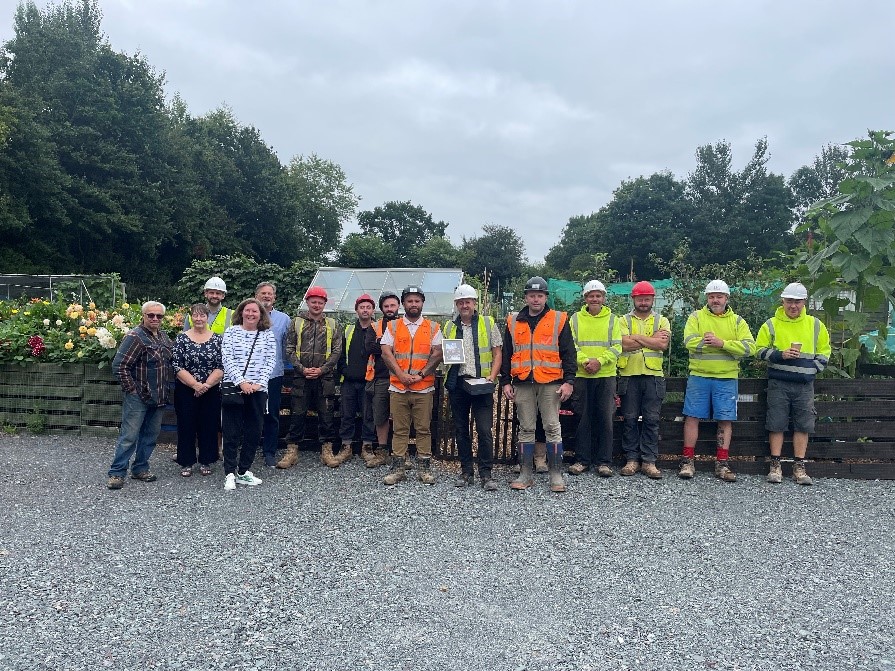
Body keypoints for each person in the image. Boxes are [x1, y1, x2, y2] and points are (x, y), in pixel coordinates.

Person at [501, 276, 576, 493]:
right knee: (526, 428)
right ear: (526, 297)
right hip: (523, 382)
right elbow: (507, 353)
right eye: (532, 295)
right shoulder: (513, 321)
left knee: (552, 427)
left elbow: (569, 353)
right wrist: (505, 381)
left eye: (540, 295)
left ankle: (556, 475)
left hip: (551, 382)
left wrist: (569, 381)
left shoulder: (559, 319)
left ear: (546, 297)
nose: (536, 299)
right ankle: (525, 474)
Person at [679, 280, 755, 482]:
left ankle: (722, 463)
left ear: (726, 298)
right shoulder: (696, 317)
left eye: (719, 296)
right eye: (712, 296)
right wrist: (708, 342)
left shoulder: (738, 321)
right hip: (699, 375)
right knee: (692, 417)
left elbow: (750, 348)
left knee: (725, 419)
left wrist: (722, 344)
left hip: (726, 378)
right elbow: (688, 342)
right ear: (707, 298)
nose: (715, 300)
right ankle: (687, 461)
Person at [755, 282, 831, 485]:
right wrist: (780, 355)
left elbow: (825, 351)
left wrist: (813, 368)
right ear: (783, 301)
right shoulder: (771, 324)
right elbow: (759, 349)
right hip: (779, 382)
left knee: (803, 424)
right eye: (789, 301)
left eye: (797, 301)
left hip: (805, 385)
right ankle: (775, 465)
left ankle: (799, 466)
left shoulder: (815, 324)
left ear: (804, 302)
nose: (793, 306)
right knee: (776, 423)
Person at [380, 286, 444, 485]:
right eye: (409, 301)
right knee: (399, 429)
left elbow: (438, 353)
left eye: (417, 301)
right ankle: (398, 468)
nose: (413, 304)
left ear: (422, 303)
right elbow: (385, 351)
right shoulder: (393, 326)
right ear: (404, 304)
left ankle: (424, 469)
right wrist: (400, 375)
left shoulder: (433, 327)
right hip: (398, 388)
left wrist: (421, 375)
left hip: (423, 388)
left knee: (423, 429)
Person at [107, 301, 174, 490]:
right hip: (138, 397)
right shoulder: (134, 336)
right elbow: (119, 365)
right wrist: (132, 390)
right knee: (129, 436)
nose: (154, 318)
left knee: (150, 435)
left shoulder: (163, 337)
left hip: (159, 395)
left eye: (158, 316)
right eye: (150, 315)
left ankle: (140, 468)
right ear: (143, 316)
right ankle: (117, 473)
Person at [443, 284, 502, 491]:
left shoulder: (488, 323)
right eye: (460, 302)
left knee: (485, 430)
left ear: (474, 303)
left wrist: (491, 377)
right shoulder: (449, 326)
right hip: (458, 383)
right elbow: (447, 355)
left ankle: (486, 474)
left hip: (481, 384)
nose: (464, 305)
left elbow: (497, 354)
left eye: (467, 301)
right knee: (461, 430)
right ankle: (466, 472)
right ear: (457, 305)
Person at [278, 287, 343, 469]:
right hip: (301, 377)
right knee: (297, 414)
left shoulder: (333, 324)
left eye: (320, 302)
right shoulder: (296, 322)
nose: (316, 305)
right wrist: (301, 368)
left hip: (325, 378)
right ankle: (292, 451)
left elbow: (337, 351)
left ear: (324, 304)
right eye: (313, 301)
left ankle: (327, 450)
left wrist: (322, 369)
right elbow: (289, 348)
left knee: (326, 414)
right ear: (307, 302)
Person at [567, 280, 623, 477]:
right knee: (582, 418)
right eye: (591, 295)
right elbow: (571, 345)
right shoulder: (574, 319)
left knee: (605, 419)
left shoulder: (613, 320)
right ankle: (582, 460)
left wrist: (599, 362)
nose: (595, 299)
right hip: (582, 376)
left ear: (604, 298)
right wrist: (584, 362)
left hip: (606, 376)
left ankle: (604, 462)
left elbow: (617, 346)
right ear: (585, 298)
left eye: (598, 295)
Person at [220, 299, 277, 490]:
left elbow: (271, 360)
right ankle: (229, 472)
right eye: (247, 310)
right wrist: (242, 382)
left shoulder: (267, 335)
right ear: (241, 312)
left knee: (254, 431)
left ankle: (243, 471)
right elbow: (227, 358)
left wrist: (258, 383)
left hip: (258, 390)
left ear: (261, 314)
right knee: (231, 431)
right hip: (234, 387)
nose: (251, 314)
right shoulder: (231, 332)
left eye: (255, 311)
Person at [617, 281, 671, 479]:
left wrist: (636, 338)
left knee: (651, 419)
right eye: (640, 298)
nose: (643, 302)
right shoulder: (622, 320)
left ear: (652, 300)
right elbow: (621, 343)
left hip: (653, 376)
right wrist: (650, 340)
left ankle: (649, 461)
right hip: (628, 375)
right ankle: (631, 460)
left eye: (647, 298)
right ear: (634, 299)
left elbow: (662, 345)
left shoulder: (662, 321)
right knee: (629, 419)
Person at [172, 304, 223, 477]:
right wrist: (195, 385)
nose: (199, 319)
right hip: (186, 390)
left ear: (208, 317)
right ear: (191, 318)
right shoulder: (181, 339)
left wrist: (206, 385)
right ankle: (186, 462)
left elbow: (221, 365)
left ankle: (206, 460)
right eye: (195, 315)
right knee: (186, 425)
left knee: (208, 425)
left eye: (202, 316)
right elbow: (177, 365)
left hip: (211, 389)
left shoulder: (217, 339)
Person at [337, 294, 378, 467]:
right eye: (362, 307)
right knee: (347, 414)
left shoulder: (377, 329)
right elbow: (339, 353)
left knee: (368, 414)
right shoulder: (348, 330)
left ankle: (367, 447)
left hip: (368, 381)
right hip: (348, 380)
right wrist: (344, 371)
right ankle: (346, 446)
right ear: (356, 310)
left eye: (368, 307)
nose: (365, 310)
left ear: (373, 310)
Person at [363, 291, 401, 467]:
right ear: (381, 308)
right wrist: (390, 347)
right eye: (386, 306)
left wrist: (383, 345)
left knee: (401, 416)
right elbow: (370, 346)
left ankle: (401, 452)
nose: (389, 308)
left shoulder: (406, 325)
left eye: (392, 305)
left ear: (398, 306)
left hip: (401, 378)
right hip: (380, 378)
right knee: (380, 416)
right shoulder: (375, 326)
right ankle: (382, 450)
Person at [255, 282, 291, 467]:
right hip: (250, 376)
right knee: (251, 413)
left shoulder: (284, 319)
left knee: (272, 414)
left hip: (274, 375)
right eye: (263, 293)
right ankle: (249, 449)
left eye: (270, 294)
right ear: (256, 296)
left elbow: (287, 347)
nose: (266, 296)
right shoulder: (248, 315)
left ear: (274, 298)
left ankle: (269, 451)